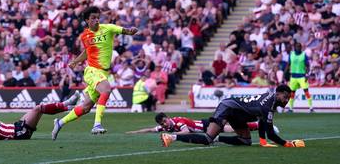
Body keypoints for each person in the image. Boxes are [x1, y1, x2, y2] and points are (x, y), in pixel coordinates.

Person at [52, 6, 138, 139]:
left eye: (97, 17)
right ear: (87, 20)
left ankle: (60, 122)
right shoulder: (85, 35)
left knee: (86, 107)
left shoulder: (108, 28)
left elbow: (124, 30)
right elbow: (87, 52)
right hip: (92, 70)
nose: (96, 20)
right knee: (106, 90)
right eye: (93, 18)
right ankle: (97, 124)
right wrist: (75, 61)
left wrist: (130, 31)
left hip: (104, 73)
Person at [160, 85, 305, 148]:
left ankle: (218, 138)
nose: (287, 100)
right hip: (228, 107)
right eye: (285, 97)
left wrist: (262, 141)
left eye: (288, 98)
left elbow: (262, 121)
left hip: (238, 113)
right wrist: (288, 144)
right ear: (278, 94)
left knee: (246, 141)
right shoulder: (268, 105)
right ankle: (172, 137)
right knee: (207, 139)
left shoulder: (271, 100)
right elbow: (271, 133)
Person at [0, 92, 79, 140]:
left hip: (16, 126)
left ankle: (69, 107)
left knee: (38, 110)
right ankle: (67, 103)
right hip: (19, 133)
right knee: (38, 108)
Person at [125, 112, 279, 135]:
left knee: (231, 130)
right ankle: (258, 125)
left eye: (164, 121)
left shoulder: (178, 122)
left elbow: (185, 132)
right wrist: (134, 132)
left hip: (205, 125)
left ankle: (259, 125)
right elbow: (151, 129)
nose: (164, 124)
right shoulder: (168, 126)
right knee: (232, 129)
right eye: (162, 123)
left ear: (167, 118)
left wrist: (171, 135)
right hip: (203, 126)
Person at [286, 42, 313, 113]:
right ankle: (291, 108)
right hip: (293, 76)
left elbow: (307, 66)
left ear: (301, 47)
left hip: (302, 76)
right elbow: (288, 64)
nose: (298, 48)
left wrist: (307, 74)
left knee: (306, 91)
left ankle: (311, 108)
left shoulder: (304, 55)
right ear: (294, 47)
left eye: (299, 47)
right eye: (296, 46)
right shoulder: (291, 54)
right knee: (292, 92)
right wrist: (285, 73)